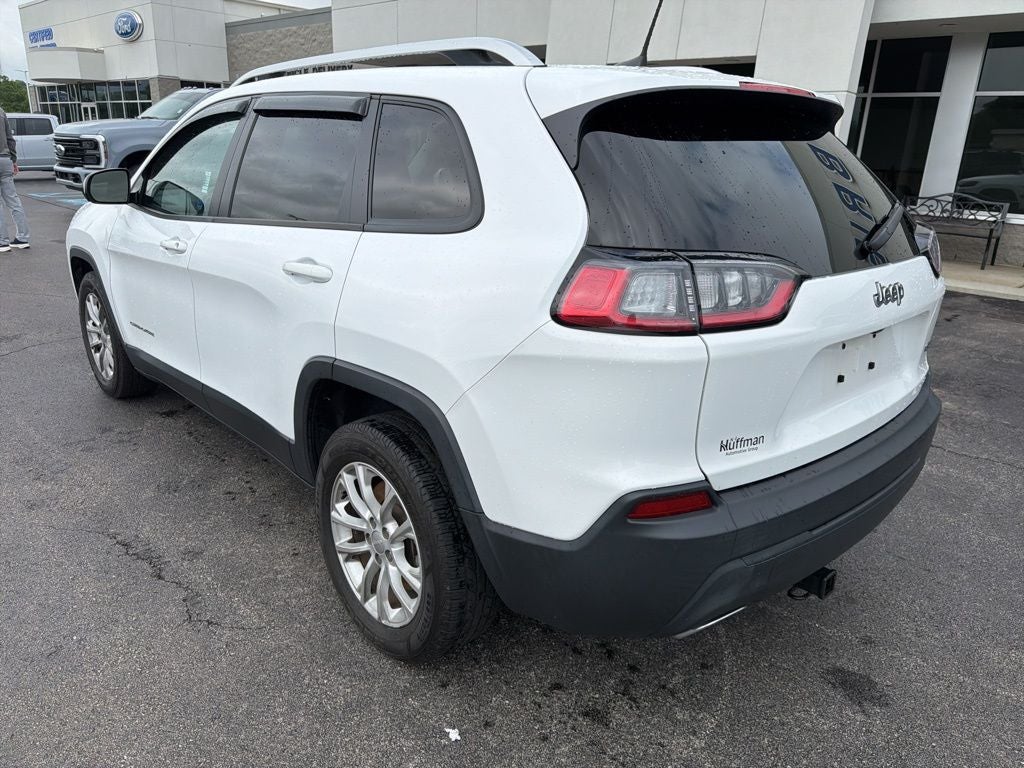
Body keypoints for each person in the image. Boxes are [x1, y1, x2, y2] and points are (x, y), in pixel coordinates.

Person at [0, 106, 30, 254]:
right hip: (5, 159)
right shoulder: (1, 111)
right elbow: (10, 138)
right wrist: (13, 160)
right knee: (13, 200)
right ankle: (22, 238)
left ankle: (2, 242)